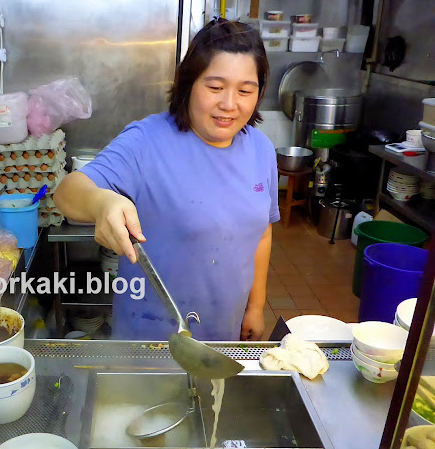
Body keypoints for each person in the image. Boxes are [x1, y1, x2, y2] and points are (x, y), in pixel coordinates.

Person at [53, 18, 279, 341]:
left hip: (223, 334)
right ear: (189, 84)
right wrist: (101, 202)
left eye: (245, 90)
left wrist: (255, 308)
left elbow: (262, 233)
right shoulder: (147, 140)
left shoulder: (261, 150)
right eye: (215, 87)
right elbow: (67, 192)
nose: (230, 104)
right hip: (148, 340)